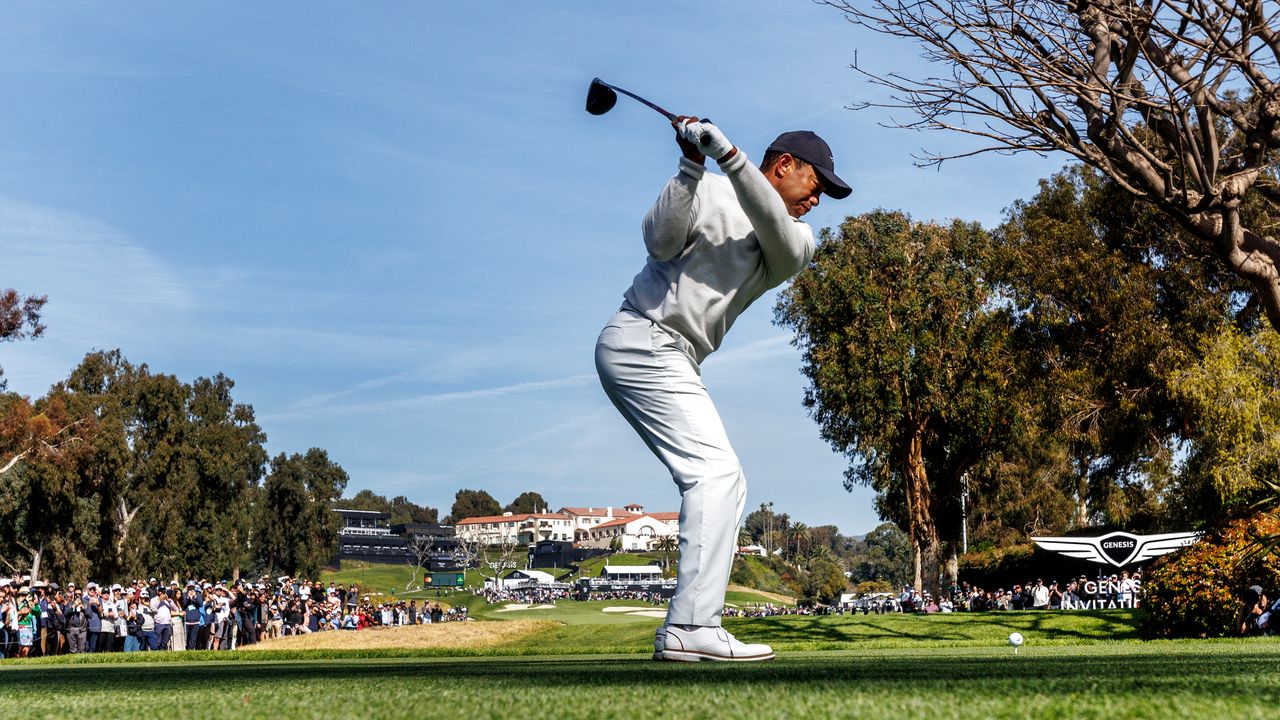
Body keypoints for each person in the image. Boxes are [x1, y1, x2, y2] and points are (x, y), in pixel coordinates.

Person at [595, 117, 850, 662]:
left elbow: (772, 228)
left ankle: (691, 625)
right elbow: (659, 242)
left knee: (720, 478)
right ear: (784, 166)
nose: (819, 199)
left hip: (675, 354)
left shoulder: (797, 239)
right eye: (817, 185)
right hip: (642, 337)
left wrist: (728, 155)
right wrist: (691, 163)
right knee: (716, 475)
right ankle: (690, 626)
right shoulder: (706, 188)